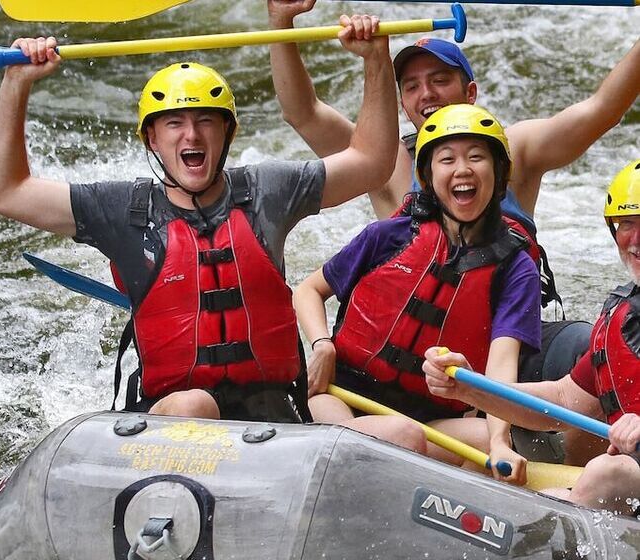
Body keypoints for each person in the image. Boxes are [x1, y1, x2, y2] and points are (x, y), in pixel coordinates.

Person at [0, 18, 425, 444]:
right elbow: (7, 192)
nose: (191, 135)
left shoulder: (266, 192)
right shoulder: (122, 210)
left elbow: (371, 162)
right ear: (152, 139)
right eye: (174, 123)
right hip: (173, 422)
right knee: (196, 406)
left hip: (276, 429)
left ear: (227, 132)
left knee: (401, 434)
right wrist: (16, 85)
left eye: (206, 121)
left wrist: (374, 59)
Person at [267, 0, 639, 388]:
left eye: (440, 80)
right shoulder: (381, 161)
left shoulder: (516, 149)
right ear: (402, 103)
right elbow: (303, 113)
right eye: (412, 86)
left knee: (592, 345)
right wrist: (281, 19)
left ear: (470, 91)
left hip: (507, 340)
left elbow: (601, 109)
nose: (426, 93)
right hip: (421, 355)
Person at [293, 104, 542, 483]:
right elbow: (309, 290)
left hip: (426, 416)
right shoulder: (389, 236)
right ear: (426, 176)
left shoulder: (516, 269)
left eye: (477, 157)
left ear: (499, 174)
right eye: (447, 159)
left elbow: (501, 367)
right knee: (401, 435)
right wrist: (322, 344)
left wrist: (500, 439)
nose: (463, 169)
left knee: (482, 441)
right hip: (339, 396)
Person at [424, 159, 640, 513]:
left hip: (622, 474)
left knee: (606, 473)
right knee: (547, 498)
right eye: (627, 224)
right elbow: (564, 399)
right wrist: (470, 388)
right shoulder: (619, 318)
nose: (635, 239)